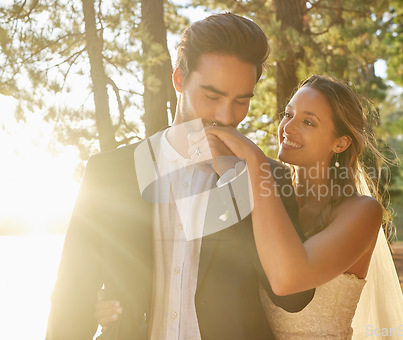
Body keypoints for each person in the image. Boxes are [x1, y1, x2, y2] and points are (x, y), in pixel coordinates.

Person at [46, 13, 313, 340]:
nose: (226, 116)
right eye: (212, 96)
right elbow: (73, 295)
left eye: (242, 101)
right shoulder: (110, 173)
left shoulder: (268, 176)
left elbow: (293, 297)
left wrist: (243, 182)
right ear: (178, 80)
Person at [96, 75, 403, 339]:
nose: (288, 128)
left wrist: (252, 161)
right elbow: (186, 252)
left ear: (341, 143)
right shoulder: (270, 192)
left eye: (308, 122)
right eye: (288, 114)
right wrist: (114, 298)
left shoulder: (362, 212)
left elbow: (288, 280)